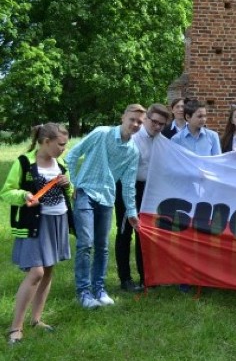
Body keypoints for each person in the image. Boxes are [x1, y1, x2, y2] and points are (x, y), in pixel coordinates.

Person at [66, 104, 145, 309]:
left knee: (102, 247)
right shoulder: (101, 133)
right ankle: (83, 292)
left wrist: (131, 212)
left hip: (107, 199)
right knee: (86, 243)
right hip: (85, 193)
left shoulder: (133, 152)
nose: (135, 124)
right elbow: (73, 155)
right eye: (132, 119)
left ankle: (99, 289)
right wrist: (73, 183)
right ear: (123, 117)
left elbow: (128, 185)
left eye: (139, 122)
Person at [3, 123, 73, 344]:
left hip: (58, 219)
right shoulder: (24, 162)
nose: (64, 149)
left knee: (49, 270)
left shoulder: (61, 163)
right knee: (36, 272)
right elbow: (6, 191)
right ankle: (15, 328)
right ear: (46, 142)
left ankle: (36, 319)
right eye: (61, 144)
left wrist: (68, 184)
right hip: (35, 223)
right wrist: (23, 195)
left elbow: (69, 192)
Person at [115, 104, 170, 293]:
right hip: (127, 188)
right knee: (124, 234)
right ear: (146, 118)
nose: (157, 127)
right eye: (154, 122)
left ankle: (147, 277)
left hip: (150, 190)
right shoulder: (134, 139)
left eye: (161, 124)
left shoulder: (162, 141)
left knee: (144, 234)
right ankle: (125, 279)